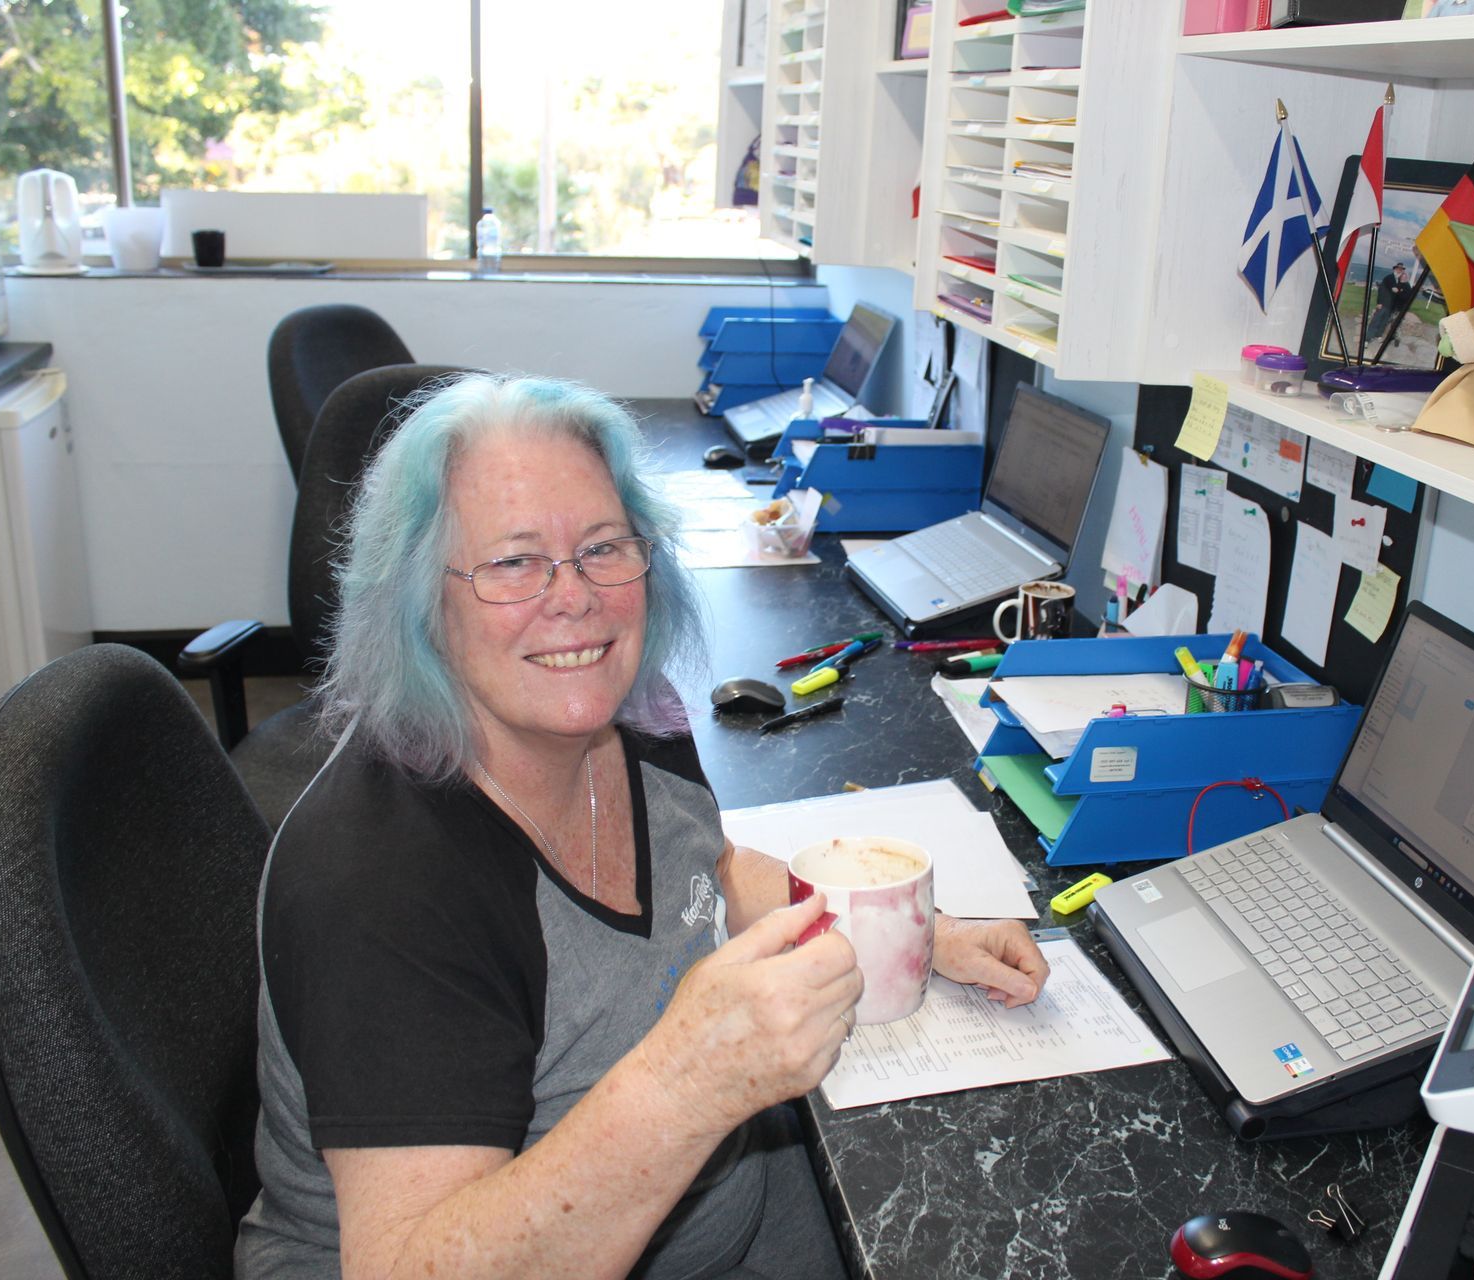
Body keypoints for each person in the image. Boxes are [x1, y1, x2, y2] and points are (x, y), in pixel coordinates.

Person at [235, 374, 1051, 1280]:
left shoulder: (625, 710)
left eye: (603, 547)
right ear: (421, 597)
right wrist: (687, 1084)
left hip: (713, 1210)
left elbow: (712, 871)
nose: (575, 597)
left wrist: (906, 931)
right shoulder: (382, 884)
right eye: (513, 562)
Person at [1364, 261, 1411, 348]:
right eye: (1398, 269)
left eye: (1401, 269)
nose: (1399, 270)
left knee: (1384, 322)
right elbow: (1382, 290)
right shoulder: (1389, 278)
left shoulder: (1399, 281)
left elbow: (1400, 294)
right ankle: (1367, 339)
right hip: (1383, 304)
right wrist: (1379, 302)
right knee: (1375, 321)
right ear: (1394, 269)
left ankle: (1378, 335)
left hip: (1391, 307)